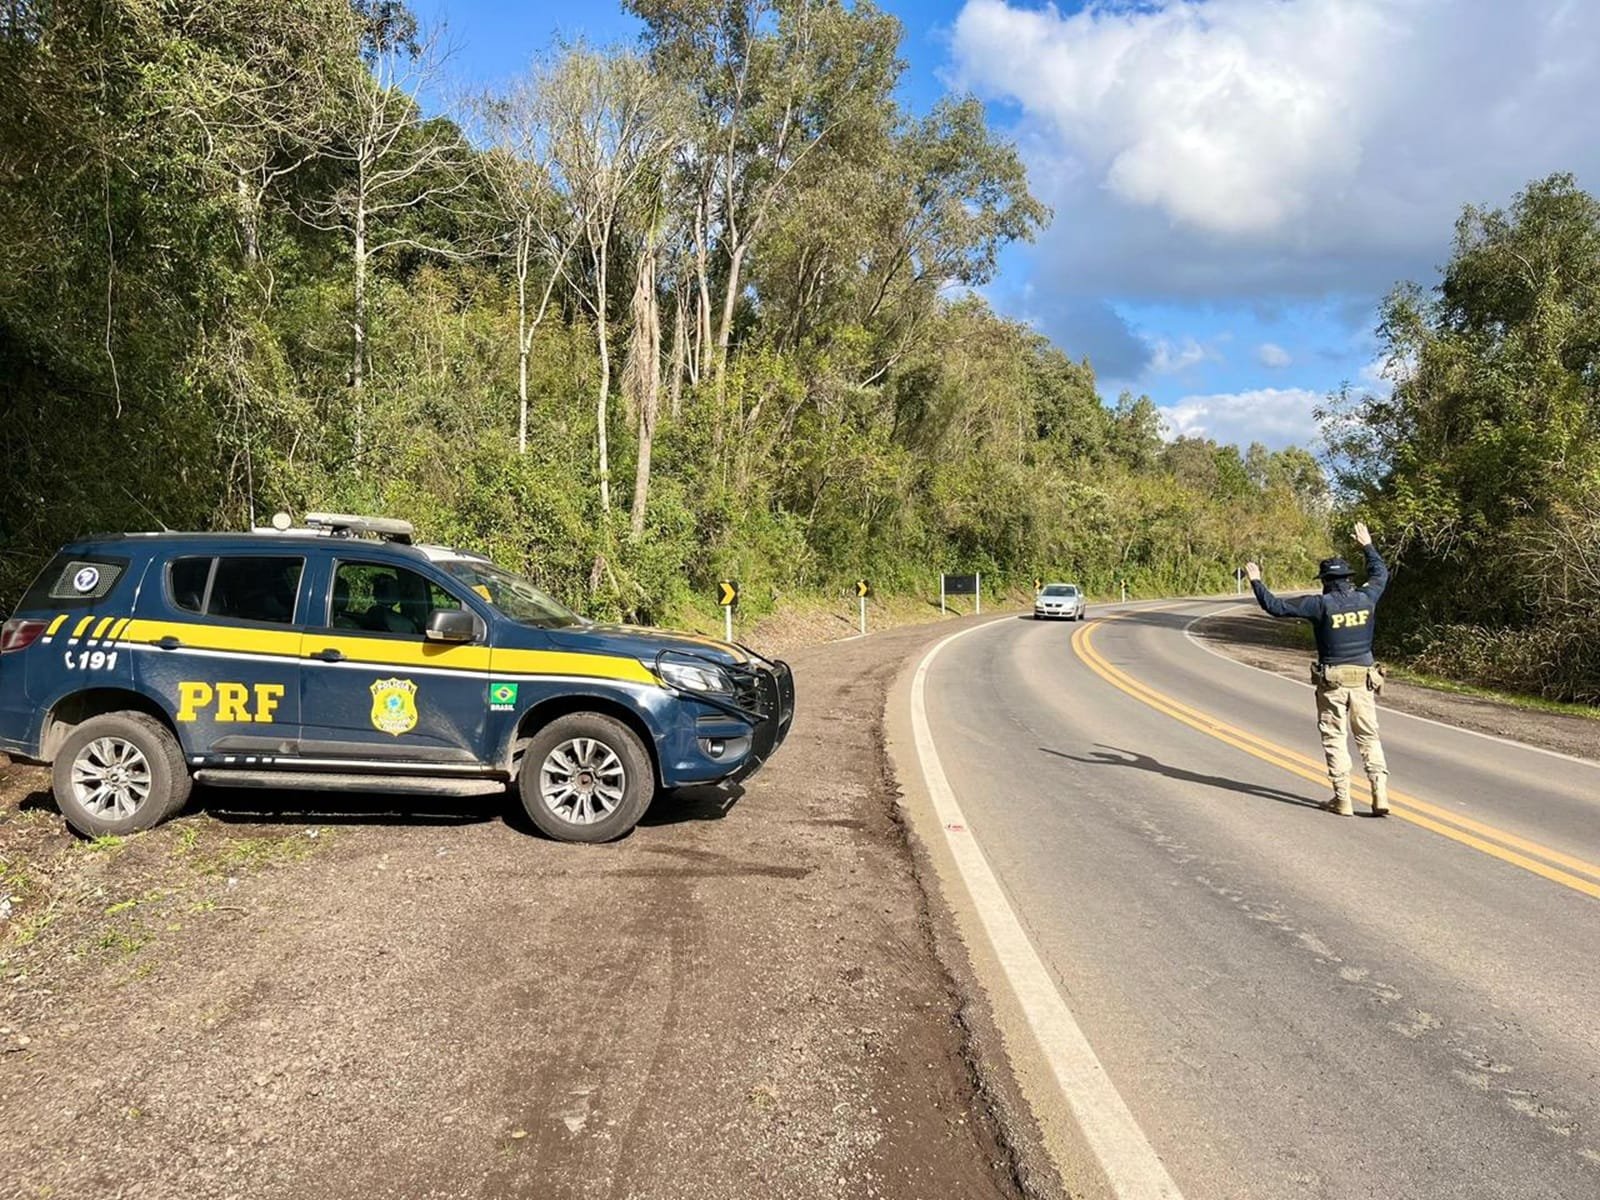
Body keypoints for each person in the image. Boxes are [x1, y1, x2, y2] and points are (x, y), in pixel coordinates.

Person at [1245, 523, 1389, 817]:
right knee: (1368, 737)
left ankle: (1343, 799)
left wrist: (1256, 581)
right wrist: (1367, 545)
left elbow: (1276, 607)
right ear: (1348, 579)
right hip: (1364, 680)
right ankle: (1380, 793)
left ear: (1325, 581)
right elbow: (1380, 573)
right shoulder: (1367, 597)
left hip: (1333, 682)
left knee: (1335, 738)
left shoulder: (1319, 605)